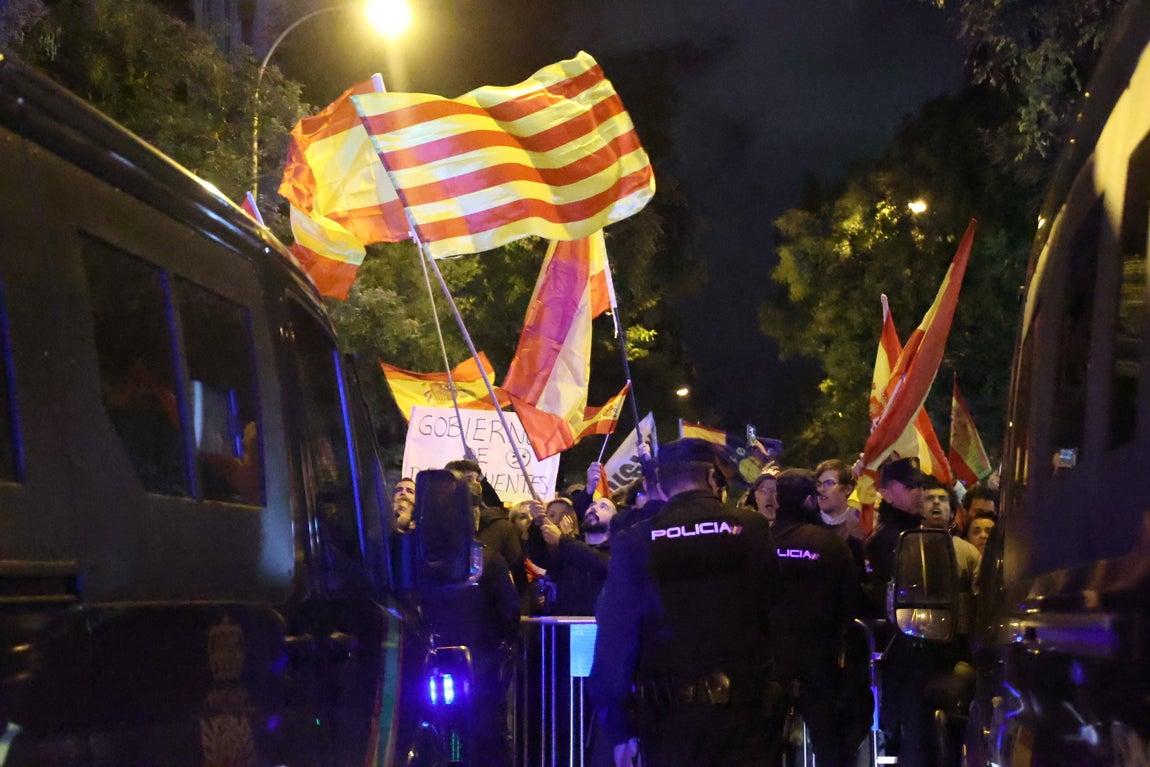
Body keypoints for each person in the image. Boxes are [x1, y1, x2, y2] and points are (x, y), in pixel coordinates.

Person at [590, 438, 779, 767]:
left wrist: (620, 727)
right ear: (711, 479)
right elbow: (775, 612)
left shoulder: (634, 542)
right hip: (747, 716)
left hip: (669, 720)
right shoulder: (752, 529)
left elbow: (616, 638)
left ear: (660, 485)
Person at [768, 469, 870, 767]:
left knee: (767, 741)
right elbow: (850, 602)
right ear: (810, 501)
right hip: (819, 660)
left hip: (769, 660)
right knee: (830, 744)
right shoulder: (831, 545)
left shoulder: (758, 541)